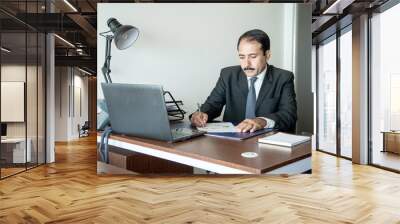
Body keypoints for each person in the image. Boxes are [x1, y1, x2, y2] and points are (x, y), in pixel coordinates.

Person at [190, 29, 297, 133]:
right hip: (232, 142)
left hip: (267, 143)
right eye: (242, 57)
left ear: (267, 55)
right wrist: (199, 115)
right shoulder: (228, 75)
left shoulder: (283, 77)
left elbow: (289, 116)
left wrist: (262, 121)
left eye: (253, 57)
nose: (246, 64)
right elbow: (212, 105)